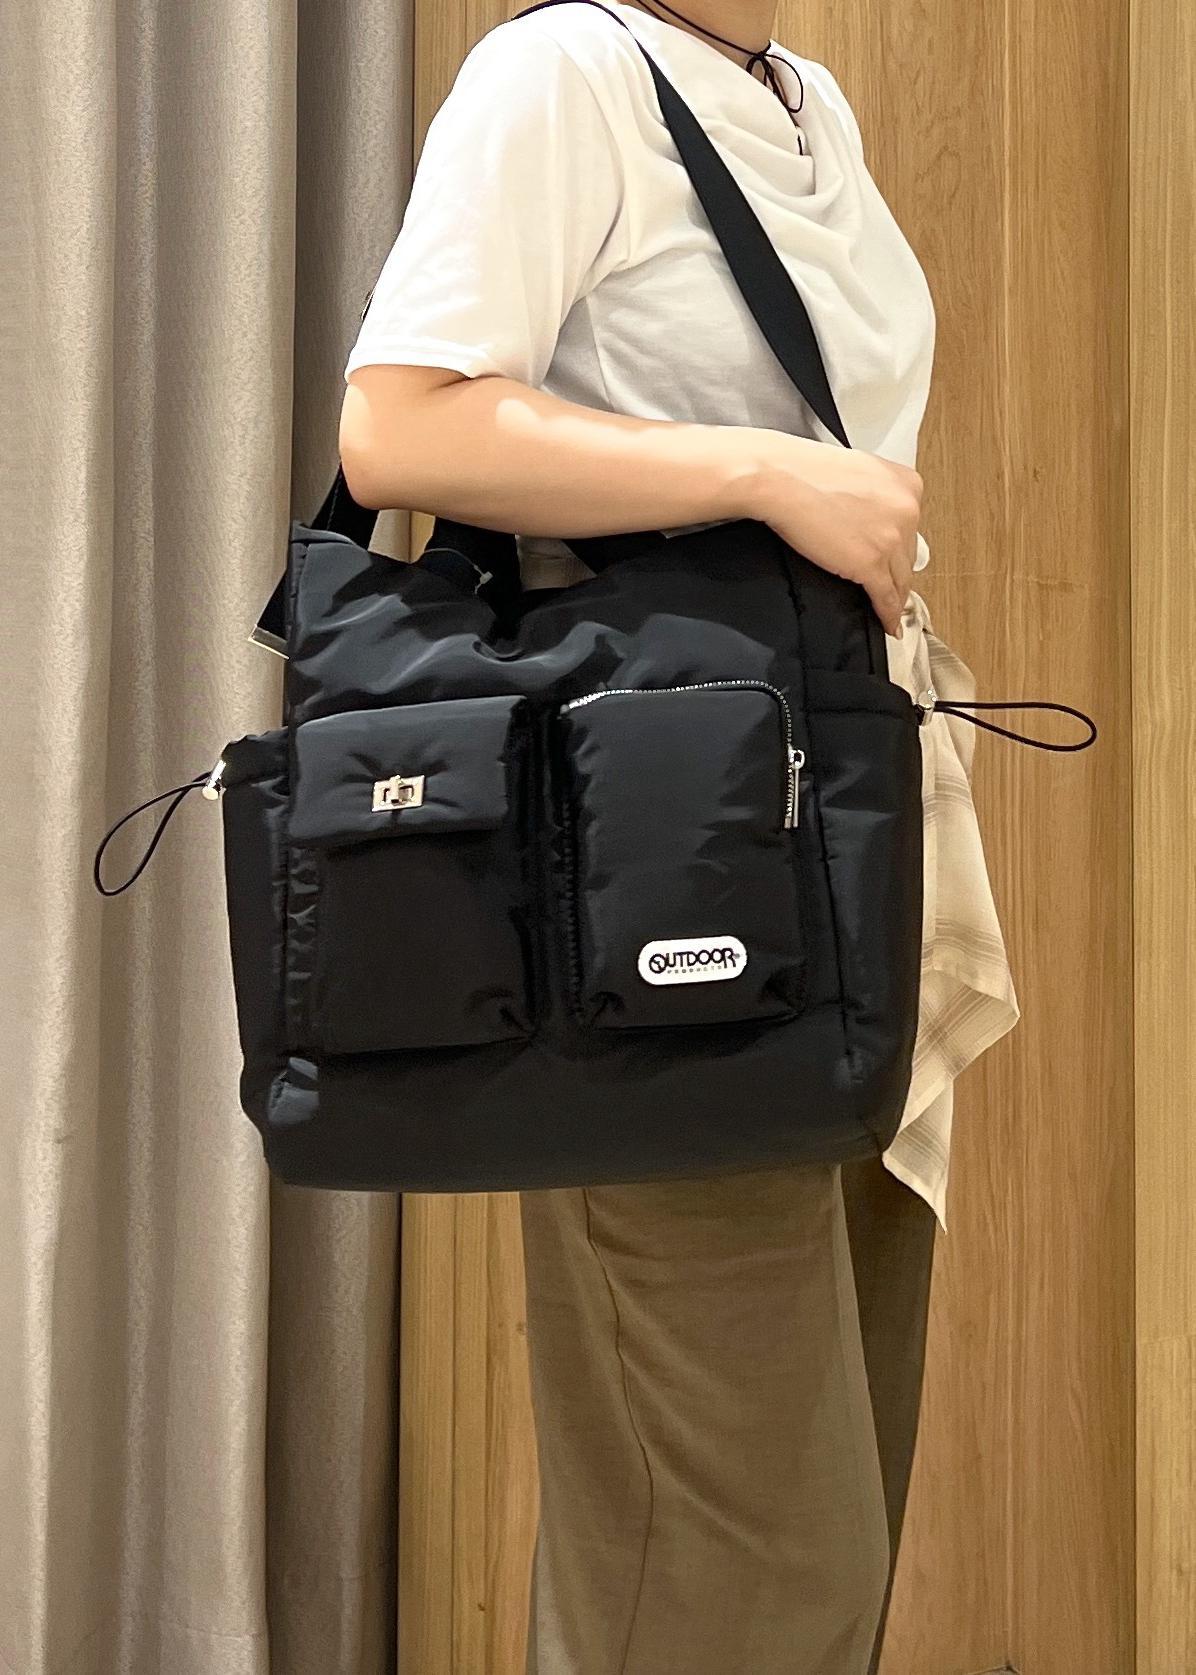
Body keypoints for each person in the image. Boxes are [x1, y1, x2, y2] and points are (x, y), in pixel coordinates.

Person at [340, 2, 939, 1669]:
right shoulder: (564, 71)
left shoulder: (801, 97)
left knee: (827, 1528)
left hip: (834, 836)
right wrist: (764, 473)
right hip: (675, 875)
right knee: (738, 1553)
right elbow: (399, 426)